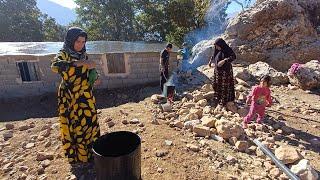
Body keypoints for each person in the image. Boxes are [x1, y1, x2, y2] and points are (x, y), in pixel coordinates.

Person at [51, 27, 100, 163]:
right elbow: (55, 66)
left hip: (85, 95)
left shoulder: (84, 54)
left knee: (90, 123)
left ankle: (92, 152)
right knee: (75, 124)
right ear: (71, 40)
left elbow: (90, 71)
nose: (80, 45)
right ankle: (79, 157)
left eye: (83, 42)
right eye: (78, 41)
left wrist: (95, 77)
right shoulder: (64, 54)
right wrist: (80, 63)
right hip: (70, 97)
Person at [208, 38, 236, 105]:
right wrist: (210, 61)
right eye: (216, 46)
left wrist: (224, 60)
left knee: (225, 86)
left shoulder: (227, 49)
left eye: (218, 46)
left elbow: (233, 56)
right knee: (217, 84)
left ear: (221, 45)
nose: (217, 47)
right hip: (217, 71)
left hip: (225, 71)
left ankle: (225, 100)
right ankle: (218, 97)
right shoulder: (217, 49)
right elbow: (214, 55)